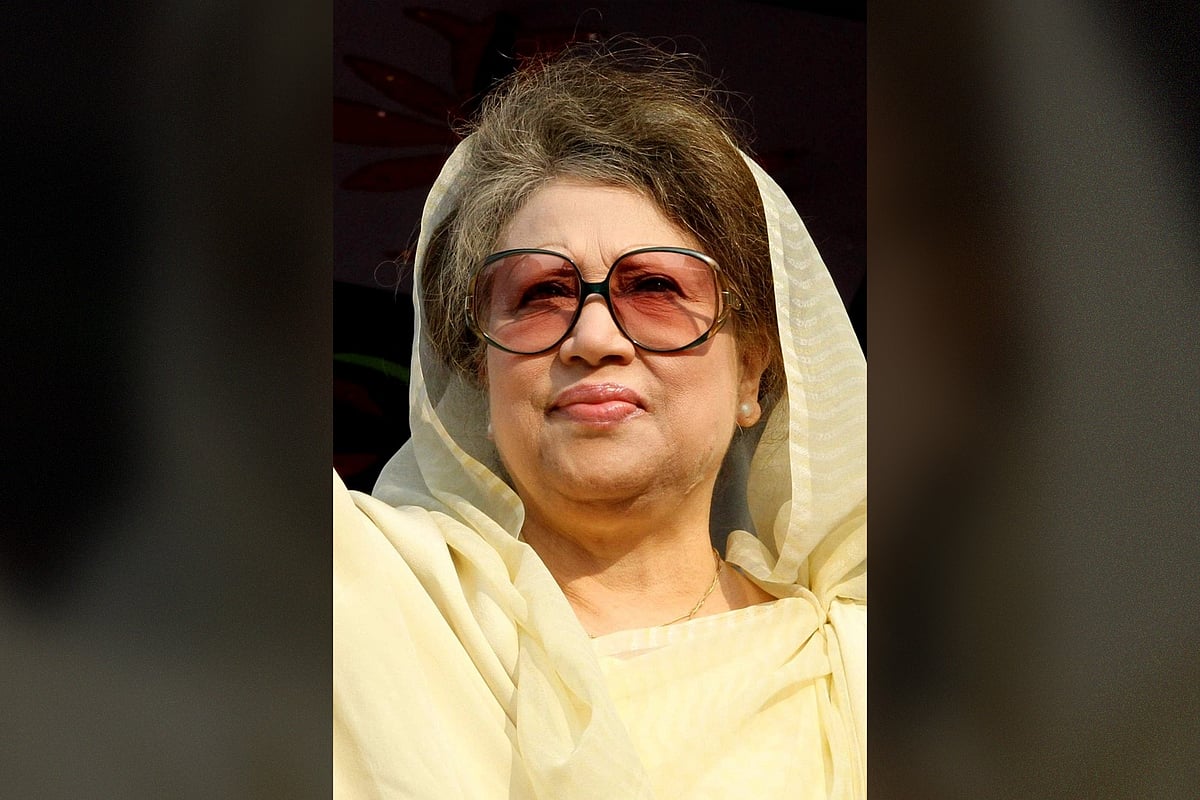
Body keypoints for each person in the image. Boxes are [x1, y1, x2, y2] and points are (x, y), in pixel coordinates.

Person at [334, 43, 865, 799]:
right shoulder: (361, 599)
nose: (593, 337)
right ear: (480, 372)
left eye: (653, 287)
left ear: (752, 370)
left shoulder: (858, 678)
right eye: (540, 294)